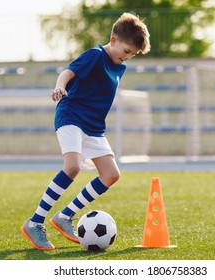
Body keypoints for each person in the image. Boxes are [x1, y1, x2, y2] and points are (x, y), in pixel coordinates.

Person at [21, 12, 151, 250]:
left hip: (93, 127)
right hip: (71, 114)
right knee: (72, 167)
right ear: (113, 40)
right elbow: (67, 73)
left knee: (111, 174)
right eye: (127, 51)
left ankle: (64, 216)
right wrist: (60, 87)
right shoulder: (95, 55)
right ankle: (35, 222)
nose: (129, 57)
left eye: (133, 54)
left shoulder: (119, 66)